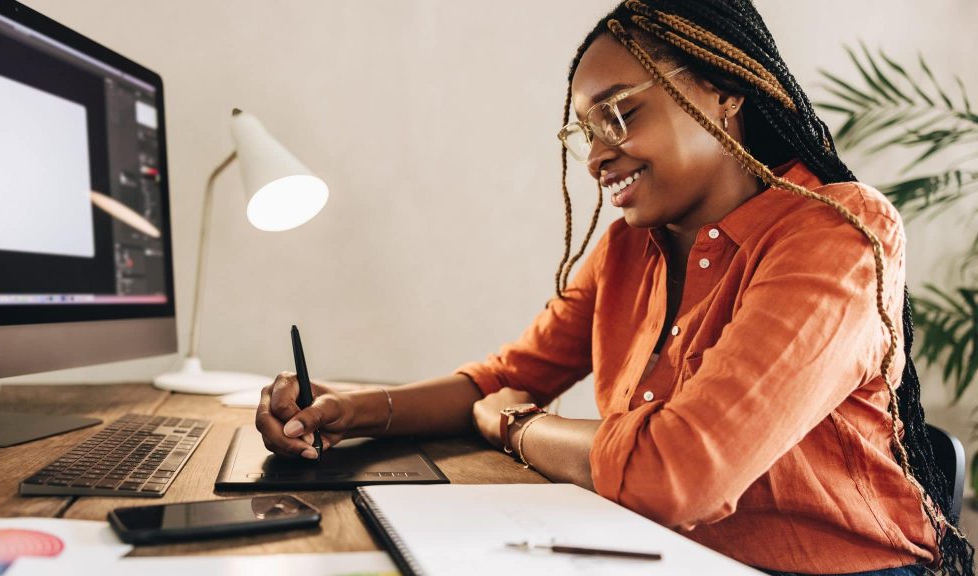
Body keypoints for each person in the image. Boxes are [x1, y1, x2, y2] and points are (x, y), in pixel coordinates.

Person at [255, 1, 974, 574]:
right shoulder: (631, 247)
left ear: (723, 91)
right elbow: (505, 378)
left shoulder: (835, 232)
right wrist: (348, 413)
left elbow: (676, 474)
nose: (597, 156)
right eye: (586, 132)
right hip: (661, 552)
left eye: (620, 115)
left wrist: (516, 426)